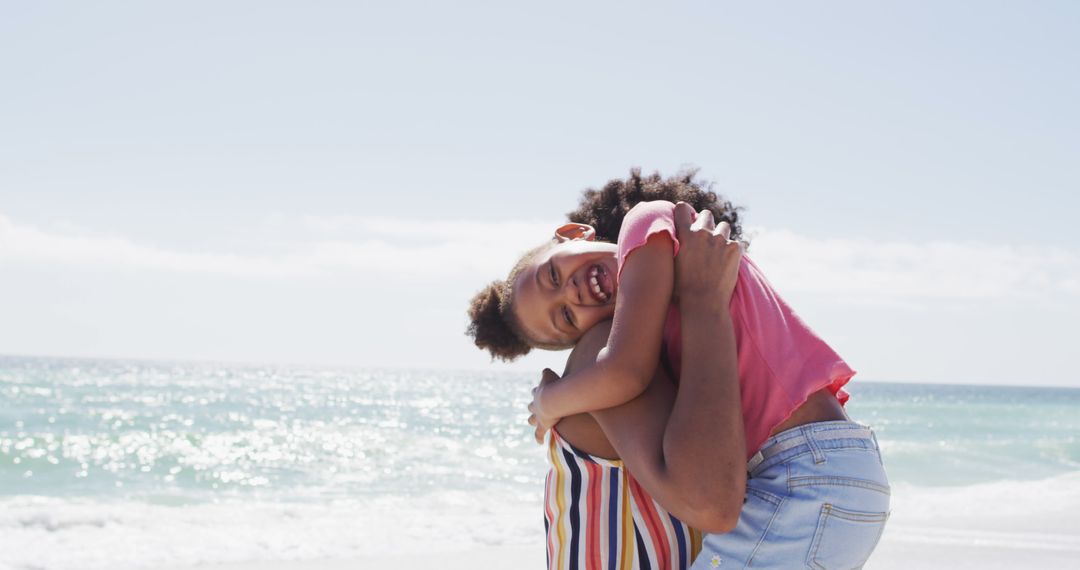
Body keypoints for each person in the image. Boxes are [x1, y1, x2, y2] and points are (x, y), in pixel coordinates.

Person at [467, 170, 890, 569]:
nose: (572, 294)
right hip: (830, 470)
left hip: (801, 474)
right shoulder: (668, 311)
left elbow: (624, 372)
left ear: (574, 234)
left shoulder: (647, 224)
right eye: (565, 318)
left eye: (553, 275)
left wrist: (550, 400)